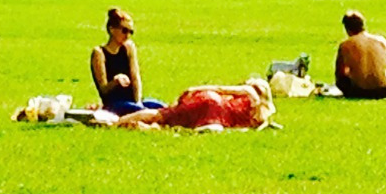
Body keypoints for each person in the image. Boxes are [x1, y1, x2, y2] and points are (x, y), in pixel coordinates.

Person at [90, 8, 166, 116]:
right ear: (112, 29)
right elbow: (103, 89)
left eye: (131, 32)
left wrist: (138, 101)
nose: (127, 35)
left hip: (132, 101)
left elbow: (135, 77)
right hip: (114, 104)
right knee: (143, 112)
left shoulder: (129, 48)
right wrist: (115, 82)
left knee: (163, 108)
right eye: (124, 31)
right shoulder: (99, 53)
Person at [117, 79, 274, 130]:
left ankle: (119, 122)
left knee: (163, 114)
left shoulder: (247, 92)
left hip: (208, 102)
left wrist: (195, 89)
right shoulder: (257, 118)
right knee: (172, 125)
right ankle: (144, 127)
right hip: (214, 118)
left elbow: (221, 89)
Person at [335, 10, 386, 99]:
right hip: (383, 90)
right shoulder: (381, 41)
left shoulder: (345, 45)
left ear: (347, 29)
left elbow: (340, 75)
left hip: (358, 91)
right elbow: (384, 67)